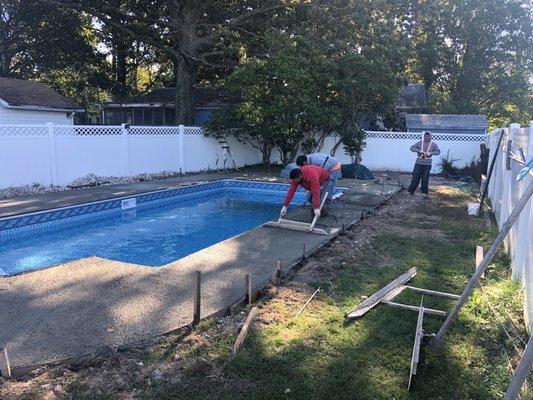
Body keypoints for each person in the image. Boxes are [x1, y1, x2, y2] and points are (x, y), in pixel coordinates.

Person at [408, 131, 441, 197]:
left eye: (428, 136)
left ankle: (424, 193)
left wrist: (431, 153)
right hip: (418, 163)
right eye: (425, 136)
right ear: (423, 137)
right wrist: (419, 150)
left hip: (427, 165)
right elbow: (411, 148)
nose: (426, 137)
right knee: (415, 178)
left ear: (430, 137)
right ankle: (410, 191)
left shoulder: (433, 144)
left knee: (425, 179)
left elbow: (438, 152)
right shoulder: (420, 143)